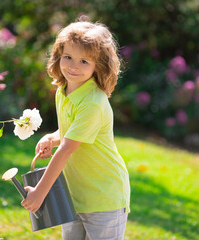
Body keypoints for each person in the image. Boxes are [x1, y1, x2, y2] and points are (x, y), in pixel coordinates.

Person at [21, 20, 130, 240]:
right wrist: (52, 138)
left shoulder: (92, 102)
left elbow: (67, 149)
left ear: (98, 65)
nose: (73, 66)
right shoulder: (64, 91)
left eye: (84, 61)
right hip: (74, 194)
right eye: (68, 57)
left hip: (103, 197)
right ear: (58, 55)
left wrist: (40, 192)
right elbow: (71, 130)